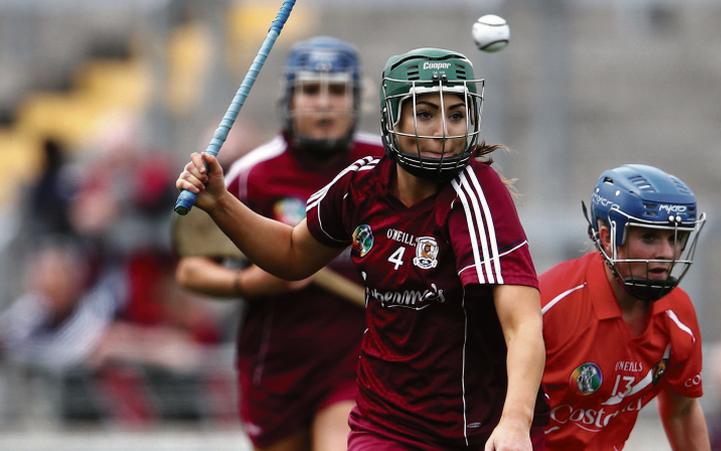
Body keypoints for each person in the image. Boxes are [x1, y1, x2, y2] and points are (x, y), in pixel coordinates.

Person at [176, 47, 548, 450]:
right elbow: (291, 253)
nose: (443, 129)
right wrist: (220, 201)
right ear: (392, 119)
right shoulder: (359, 184)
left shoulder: (479, 196)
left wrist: (515, 420)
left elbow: (523, 323)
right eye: (425, 114)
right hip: (385, 423)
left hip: (472, 428)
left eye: (456, 115)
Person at [175, 36, 384, 451]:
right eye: (310, 90)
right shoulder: (250, 176)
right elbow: (190, 270)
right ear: (289, 100)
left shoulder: (384, 168)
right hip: (276, 367)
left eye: (337, 90)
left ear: (356, 100)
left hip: (361, 363)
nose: (323, 103)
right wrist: (252, 283)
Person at [538, 164, 711, 450]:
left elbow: (682, 411)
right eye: (649, 237)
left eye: (675, 239)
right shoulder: (551, 302)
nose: (666, 254)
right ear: (607, 237)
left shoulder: (678, 313)